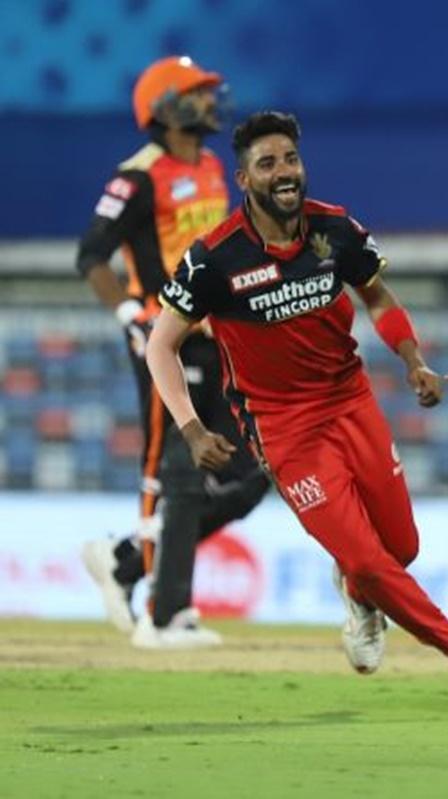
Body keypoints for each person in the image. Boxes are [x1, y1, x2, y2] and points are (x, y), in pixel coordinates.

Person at [145, 111, 448, 719]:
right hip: (282, 428)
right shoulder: (215, 258)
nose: (284, 172)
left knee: (399, 548)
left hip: (351, 402)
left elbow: (378, 296)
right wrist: (190, 425)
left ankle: (359, 593)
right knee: (369, 557)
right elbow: (161, 345)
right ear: (244, 179)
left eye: (290, 158)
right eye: (268, 163)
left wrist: (412, 359)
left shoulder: (336, 229)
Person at [76, 56, 269, 648]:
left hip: (216, 339)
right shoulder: (136, 176)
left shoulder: (213, 166)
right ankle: (165, 614)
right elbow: (91, 256)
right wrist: (131, 316)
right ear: (167, 107)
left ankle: (127, 560)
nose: (213, 102)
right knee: (172, 466)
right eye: (200, 93)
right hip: (162, 338)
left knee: (248, 474)